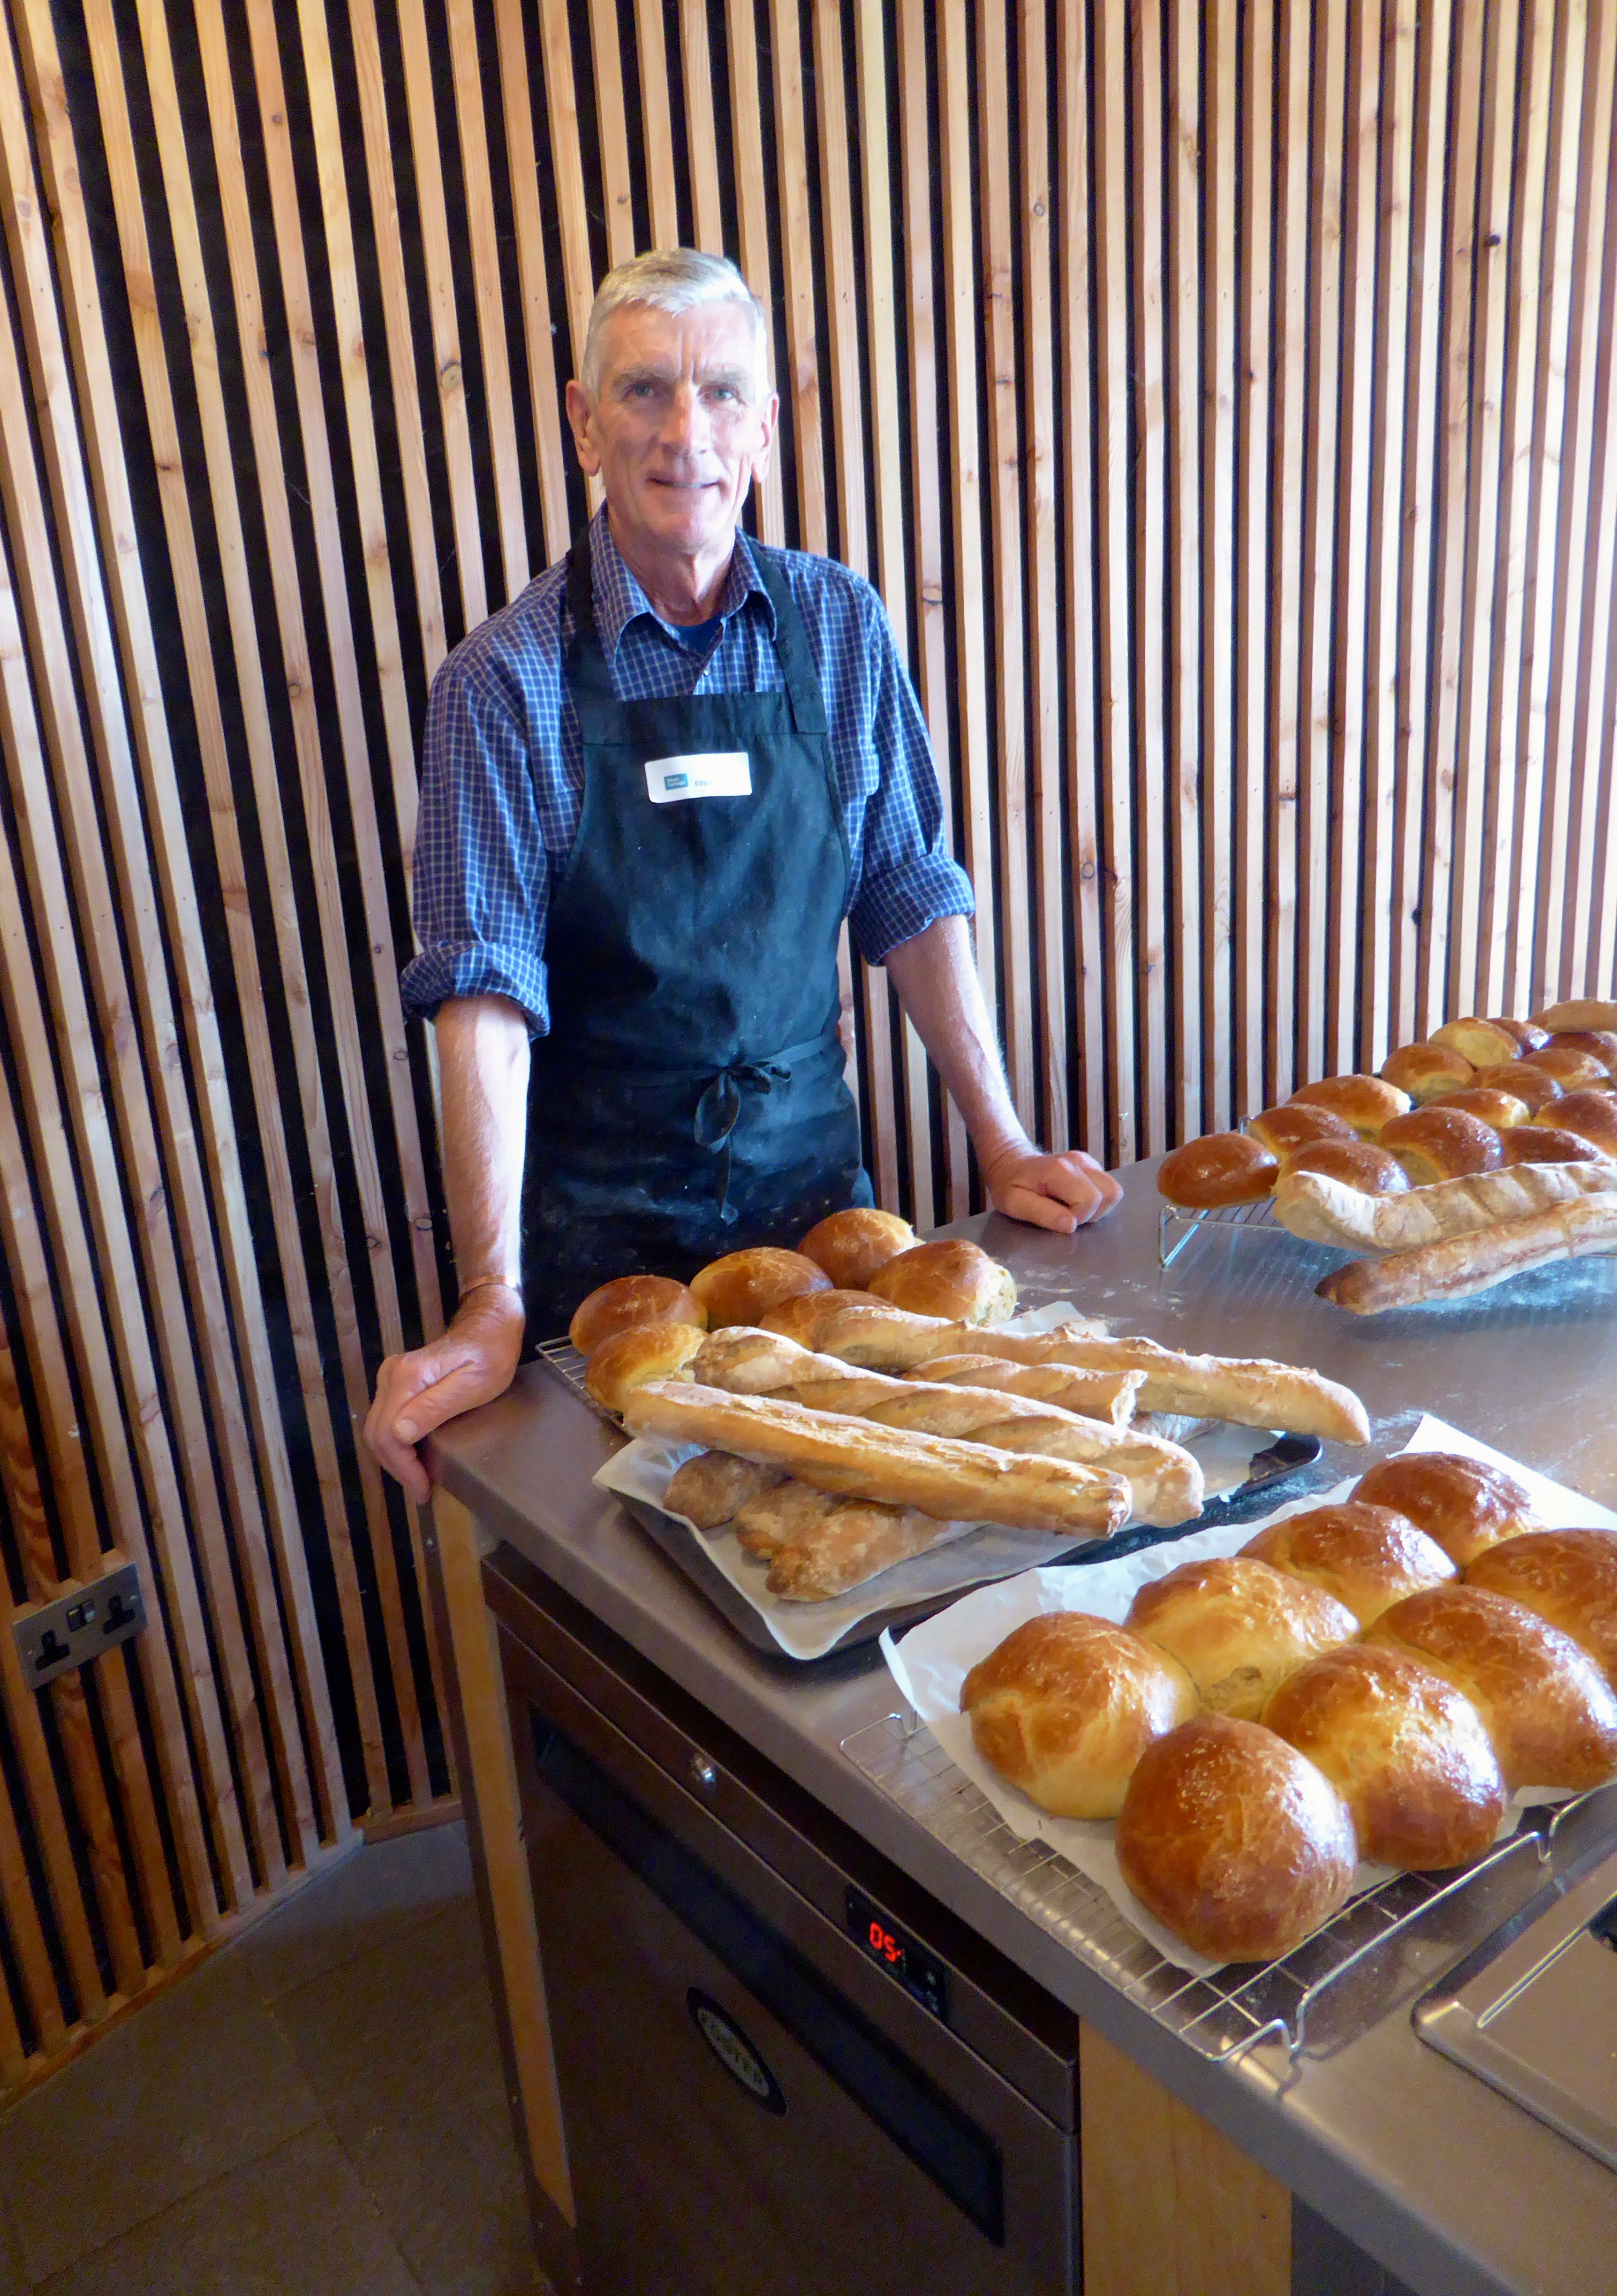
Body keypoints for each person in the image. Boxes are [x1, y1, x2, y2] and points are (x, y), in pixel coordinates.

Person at [365, 250, 1119, 1500]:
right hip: (603, 1254)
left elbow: (909, 887)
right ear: (583, 422)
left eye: (721, 394)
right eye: (646, 390)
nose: (684, 433)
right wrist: (488, 1299)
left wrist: (1001, 1140)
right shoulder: (503, 684)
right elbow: (483, 997)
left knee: (849, 1533)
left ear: (765, 428)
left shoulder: (838, 625)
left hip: (822, 1214)